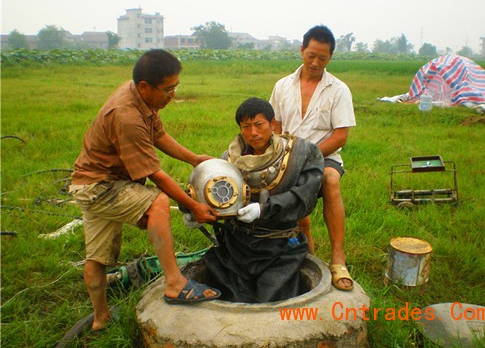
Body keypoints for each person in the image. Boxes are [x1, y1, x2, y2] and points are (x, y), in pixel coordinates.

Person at [69, 49, 221, 331]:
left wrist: (194, 158)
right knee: (158, 203)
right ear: (144, 86)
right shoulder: (126, 116)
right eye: (169, 89)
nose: (172, 95)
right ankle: (175, 283)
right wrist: (194, 205)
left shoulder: (140, 96)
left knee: (97, 257)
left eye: (176, 87)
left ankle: (100, 319)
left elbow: (158, 135)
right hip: (101, 186)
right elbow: (156, 176)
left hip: (91, 183)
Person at [185, 97, 324, 303]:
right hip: (236, 245)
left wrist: (263, 209)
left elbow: (304, 196)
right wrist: (193, 210)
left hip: (279, 247)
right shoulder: (228, 160)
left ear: (273, 124)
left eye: (259, 125)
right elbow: (213, 196)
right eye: (246, 126)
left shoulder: (300, 154)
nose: (253, 133)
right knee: (226, 293)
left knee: (272, 298)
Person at [269, 25, 356, 291]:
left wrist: (310, 156)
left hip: (325, 156)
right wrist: (281, 157)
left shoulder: (339, 90)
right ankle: (304, 254)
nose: (316, 62)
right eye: (311, 55)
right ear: (302, 50)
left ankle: (338, 258)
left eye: (323, 58)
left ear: (330, 58)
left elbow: (341, 136)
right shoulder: (283, 86)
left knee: (330, 179)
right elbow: (275, 126)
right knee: (289, 199)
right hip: (288, 156)